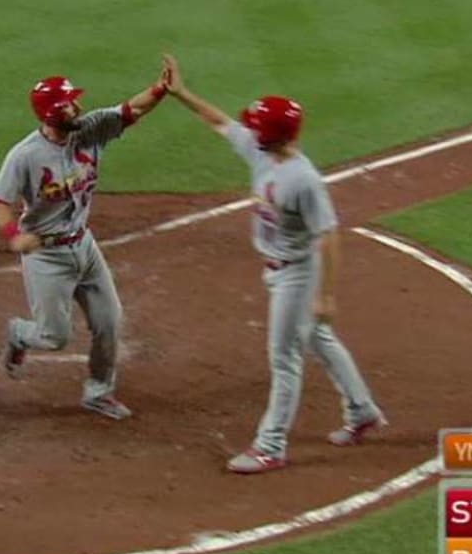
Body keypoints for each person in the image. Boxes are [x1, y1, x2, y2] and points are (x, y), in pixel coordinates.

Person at [160, 55, 386, 472]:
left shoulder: (303, 181)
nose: (251, 131)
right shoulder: (263, 151)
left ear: (276, 136)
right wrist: (181, 94)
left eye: (259, 127)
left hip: (297, 275)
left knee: (285, 357)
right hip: (280, 269)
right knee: (320, 340)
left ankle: (271, 445)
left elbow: (329, 235)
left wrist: (326, 295)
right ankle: (362, 410)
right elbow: (220, 123)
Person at [0, 59, 175, 420]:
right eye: (71, 104)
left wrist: (161, 89)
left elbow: (132, 109)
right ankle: (19, 334)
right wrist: (14, 235)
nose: (79, 107)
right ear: (54, 113)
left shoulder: (89, 130)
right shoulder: (25, 156)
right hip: (47, 256)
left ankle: (99, 392)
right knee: (53, 338)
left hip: (84, 247)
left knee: (109, 322)